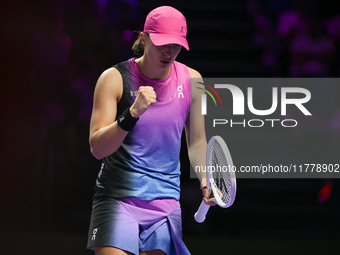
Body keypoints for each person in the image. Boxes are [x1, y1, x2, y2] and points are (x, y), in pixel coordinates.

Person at [87, 6, 214, 255]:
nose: (169, 52)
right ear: (144, 38)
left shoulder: (192, 81)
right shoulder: (113, 79)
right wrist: (132, 113)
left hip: (164, 203)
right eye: (162, 43)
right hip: (117, 198)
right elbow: (97, 148)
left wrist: (204, 178)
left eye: (176, 46)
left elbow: (197, 142)